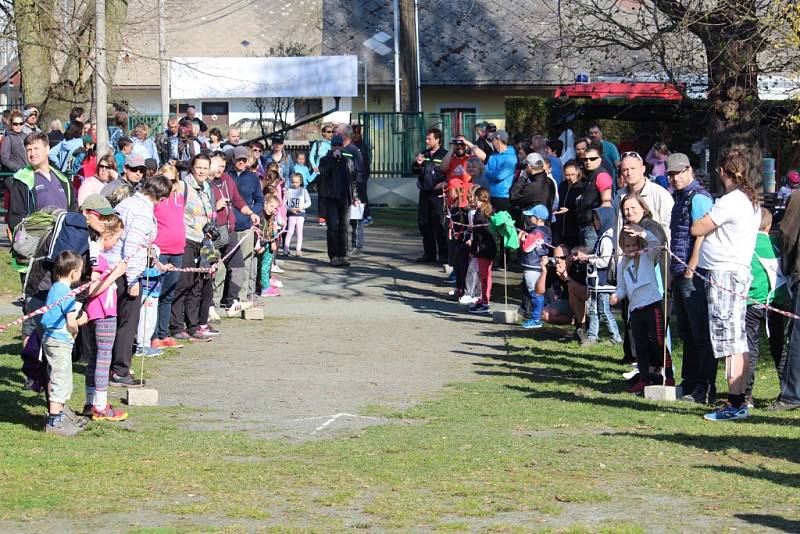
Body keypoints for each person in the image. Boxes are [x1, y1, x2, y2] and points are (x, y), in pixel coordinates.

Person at [691, 148, 760, 421]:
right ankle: (738, 399)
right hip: (735, 272)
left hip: (725, 274)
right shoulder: (748, 200)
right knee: (736, 337)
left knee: (729, 337)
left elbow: (698, 227)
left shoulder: (731, 200)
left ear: (721, 171)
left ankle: (734, 403)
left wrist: (706, 222)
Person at [109, 175, 172, 386]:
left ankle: (111, 365)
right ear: (161, 197)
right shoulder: (143, 212)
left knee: (113, 321)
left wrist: (156, 262)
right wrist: (133, 279)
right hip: (125, 271)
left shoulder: (126, 203)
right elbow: (132, 247)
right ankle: (120, 370)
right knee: (127, 324)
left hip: (112, 267)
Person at [667, 153, 715, 404]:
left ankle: (705, 386)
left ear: (689, 170)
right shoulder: (680, 199)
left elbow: (702, 236)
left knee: (700, 333)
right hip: (678, 271)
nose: (674, 178)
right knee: (686, 332)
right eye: (671, 174)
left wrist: (690, 269)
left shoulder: (698, 198)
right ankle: (689, 382)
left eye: (678, 173)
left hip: (693, 274)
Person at [611, 224, 673, 393]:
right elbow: (622, 287)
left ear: (639, 244)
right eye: (627, 246)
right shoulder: (622, 263)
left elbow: (656, 244)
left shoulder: (647, 256)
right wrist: (617, 295)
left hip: (652, 305)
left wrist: (643, 233)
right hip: (636, 309)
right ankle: (644, 379)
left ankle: (669, 377)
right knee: (640, 346)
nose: (631, 249)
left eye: (634, 245)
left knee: (659, 342)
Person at [82, 212, 129, 421]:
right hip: (102, 312)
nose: (117, 242)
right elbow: (93, 289)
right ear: (106, 235)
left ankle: (90, 402)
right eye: (117, 238)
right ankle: (100, 405)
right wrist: (116, 274)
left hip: (98, 312)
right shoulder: (97, 258)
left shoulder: (96, 255)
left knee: (96, 357)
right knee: (103, 358)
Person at [40, 250, 89, 435]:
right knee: (61, 380)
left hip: (50, 338)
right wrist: (78, 324)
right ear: (73, 272)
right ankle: (54, 422)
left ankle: (58, 416)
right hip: (60, 341)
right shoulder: (67, 292)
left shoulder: (54, 288)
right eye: (80, 271)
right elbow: (70, 322)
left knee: (56, 376)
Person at [743, 208, 788, 408]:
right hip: (775, 304)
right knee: (779, 347)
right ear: (769, 226)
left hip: (751, 302)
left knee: (750, 348)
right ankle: (788, 390)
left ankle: (746, 395)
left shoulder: (744, 245)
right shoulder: (775, 245)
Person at [171, 155, 217, 341]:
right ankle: (176, 325)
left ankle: (194, 325)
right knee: (184, 282)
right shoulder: (184, 186)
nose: (201, 171)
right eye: (198, 167)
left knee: (199, 283)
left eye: (205, 168)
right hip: (188, 238)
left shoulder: (207, 188)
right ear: (192, 167)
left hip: (205, 241)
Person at [209, 152, 260, 313]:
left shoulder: (227, 179)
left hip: (228, 231)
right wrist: (215, 206)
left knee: (238, 266)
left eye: (223, 166)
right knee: (210, 268)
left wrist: (250, 213)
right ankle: (209, 305)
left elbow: (238, 200)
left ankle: (230, 302)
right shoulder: (206, 183)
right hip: (211, 234)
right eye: (218, 166)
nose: (220, 170)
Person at [8, 132, 77, 231]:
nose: (32, 153)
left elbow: (74, 209)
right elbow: (16, 218)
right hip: (38, 240)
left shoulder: (63, 179)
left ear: (47, 149)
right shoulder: (22, 181)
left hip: (65, 238)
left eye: (36, 148)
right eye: (29, 150)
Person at [150, 164, 186, 349]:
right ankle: (153, 335)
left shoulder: (179, 196)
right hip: (160, 251)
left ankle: (163, 334)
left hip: (177, 250)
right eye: (165, 180)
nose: (169, 184)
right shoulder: (156, 199)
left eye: (172, 180)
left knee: (168, 294)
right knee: (156, 293)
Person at [578, 206, 622, 346]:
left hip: (603, 282)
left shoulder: (607, 238)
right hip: (596, 283)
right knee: (593, 309)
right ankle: (592, 336)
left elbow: (604, 261)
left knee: (604, 310)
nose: (595, 222)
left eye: (597, 219)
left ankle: (616, 337)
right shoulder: (602, 237)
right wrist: (588, 256)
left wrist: (588, 259)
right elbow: (599, 256)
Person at [613, 151, 674, 251]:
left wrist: (666, 259)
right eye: (625, 170)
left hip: (653, 258)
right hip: (627, 260)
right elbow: (616, 230)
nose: (629, 173)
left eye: (633, 168)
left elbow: (668, 229)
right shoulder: (618, 197)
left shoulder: (660, 194)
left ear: (643, 169)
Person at [226, 146, 264, 303]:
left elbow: (260, 199)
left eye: (244, 159)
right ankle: (225, 297)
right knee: (226, 264)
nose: (241, 162)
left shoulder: (253, 178)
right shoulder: (226, 176)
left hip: (246, 225)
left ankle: (242, 296)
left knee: (246, 263)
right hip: (228, 226)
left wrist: (252, 213)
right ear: (233, 160)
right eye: (238, 159)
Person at [775, 183, 800, 411]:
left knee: (797, 337)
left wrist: (787, 269)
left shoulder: (797, 197)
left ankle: (792, 395)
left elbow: (788, 236)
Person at [318, 134, 360, 266]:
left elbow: (353, 180)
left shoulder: (348, 161)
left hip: (345, 198)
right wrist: (333, 160)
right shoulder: (325, 160)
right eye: (334, 145)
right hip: (331, 198)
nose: (336, 147)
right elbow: (323, 173)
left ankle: (343, 255)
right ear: (331, 147)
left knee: (344, 228)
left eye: (339, 145)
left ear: (342, 146)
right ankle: (333, 256)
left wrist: (354, 196)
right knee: (332, 228)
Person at [412, 128, 448, 263]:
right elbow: (415, 170)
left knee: (439, 224)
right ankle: (429, 254)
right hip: (425, 193)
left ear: (437, 139)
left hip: (438, 195)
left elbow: (448, 172)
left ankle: (444, 255)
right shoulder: (424, 153)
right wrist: (417, 163)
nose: (427, 141)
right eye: (426, 138)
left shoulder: (444, 155)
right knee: (424, 224)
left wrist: (445, 182)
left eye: (429, 138)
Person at [467, 130, 516, 216]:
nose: (491, 143)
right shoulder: (493, 156)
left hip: (502, 198)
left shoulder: (511, 157)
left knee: (501, 225)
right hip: (488, 197)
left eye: (492, 140)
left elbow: (499, 176)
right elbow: (487, 174)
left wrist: (487, 171)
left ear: (498, 140)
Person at [518, 205, 552, 329]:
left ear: (537, 219)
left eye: (531, 216)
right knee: (538, 292)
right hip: (538, 264)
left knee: (534, 293)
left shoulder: (536, 232)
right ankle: (538, 316)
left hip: (532, 265)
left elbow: (527, 248)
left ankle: (536, 318)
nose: (529, 218)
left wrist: (522, 239)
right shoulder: (546, 231)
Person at [574, 141, 613, 248]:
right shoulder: (589, 176)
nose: (588, 161)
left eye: (592, 159)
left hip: (593, 228)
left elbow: (607, 203)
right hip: (584, 226)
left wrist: (599, 224)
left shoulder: (602, 176)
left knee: (591, 262)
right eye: (585, 159)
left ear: (600, 159)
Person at [467, 187, 496, 314]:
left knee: (484, 276)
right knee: (484, 275)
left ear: (477, 198)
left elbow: (478, 236)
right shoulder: (489, 210)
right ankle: (482, 300)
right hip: (489, 247)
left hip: (483, 248)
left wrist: (473, 250)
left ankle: (485, 303)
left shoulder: (479, 214)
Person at [510, 152, 556, 222]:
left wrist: (522, 177)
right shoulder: (550, 182)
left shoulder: (532, 187)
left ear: (528, 167)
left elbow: (513, 198)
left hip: (533, 226)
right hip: (546, 224)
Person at [554, 160, 584, 248]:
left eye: (572, 174)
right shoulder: (562, 186)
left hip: (574, 227)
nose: (570, 177)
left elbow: (582, 207)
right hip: (561, 226)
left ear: (577, 172)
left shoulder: (581, 187)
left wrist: (569, 210)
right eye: (567, 175)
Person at [257, 194, 282, 297]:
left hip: (268, 244)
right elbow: (259, 232)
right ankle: (265, 288)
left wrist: (272, 242)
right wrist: (262, 244)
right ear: (265, 203)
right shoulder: (260, 215)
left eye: (275, 208)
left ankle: (265, 285)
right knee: (263, 267)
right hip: (261, 244)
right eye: (271, 206)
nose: (273, 209)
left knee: (266, 266)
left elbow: (271, 231)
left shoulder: (271, 216)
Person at [284, 172, 311, 256]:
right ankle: (286, 249)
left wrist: (302, 207)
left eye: (297, 182)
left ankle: (298, 250)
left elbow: (309, 202)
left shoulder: (303, 190)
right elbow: (284, 203)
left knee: (299, 232)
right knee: (290, 231)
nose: (294, 184)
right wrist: (290, 209)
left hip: (301, 214)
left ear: (300, 182)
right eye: (293, 182)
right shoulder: (289, 191)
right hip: (292, 214)